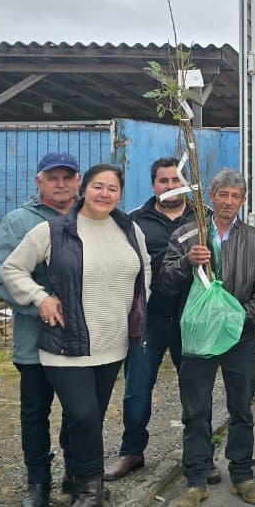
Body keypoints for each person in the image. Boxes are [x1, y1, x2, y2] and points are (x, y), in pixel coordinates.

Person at [1, 163, 152, 507]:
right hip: (66, 345)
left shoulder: (129, 230)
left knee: (90, 418)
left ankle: (78, 478)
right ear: (85, 188)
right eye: (98, 186)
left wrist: (136, 309)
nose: (104, 194)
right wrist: (40, 298)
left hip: (112, 344)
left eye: (112, 189)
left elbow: (145, 272)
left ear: (120, 194)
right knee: (83, 415)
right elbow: (12, 268)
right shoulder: (54, 230)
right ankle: (90, 489)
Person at [160, 169, 255, 507]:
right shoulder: (187, 235)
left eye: (235, 196)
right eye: (222, 194)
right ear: (210, 197)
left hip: (239, 336)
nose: (229, 202)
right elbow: (166, 282)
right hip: (198, 337)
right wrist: (187, 261)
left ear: (242, 201)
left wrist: (242, 320)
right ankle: (195, 480)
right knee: (195, 409)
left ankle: (242, 476)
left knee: (241, 408)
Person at [0, 152, 82, 507]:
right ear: (38, 181)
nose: (61, 184)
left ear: (77, 180)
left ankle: (77, 472)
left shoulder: (91, 216)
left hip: (83, 338)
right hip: (35, 337)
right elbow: (0, 273)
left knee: (80, 410)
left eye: (67, 177)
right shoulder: (19, 221)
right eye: (53, 177)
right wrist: (39, 301)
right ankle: (37, 482)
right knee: (34, 413)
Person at [106, 158, 193, 482]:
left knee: (194, 388)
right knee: (137, 388)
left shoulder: (202, 218)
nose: (170, 186)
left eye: (175, 180)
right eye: (163, 181)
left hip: (190, 318)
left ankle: (197, 453)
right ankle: (132, 451)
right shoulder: (133, 222)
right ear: (153, 185)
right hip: (149, 318)